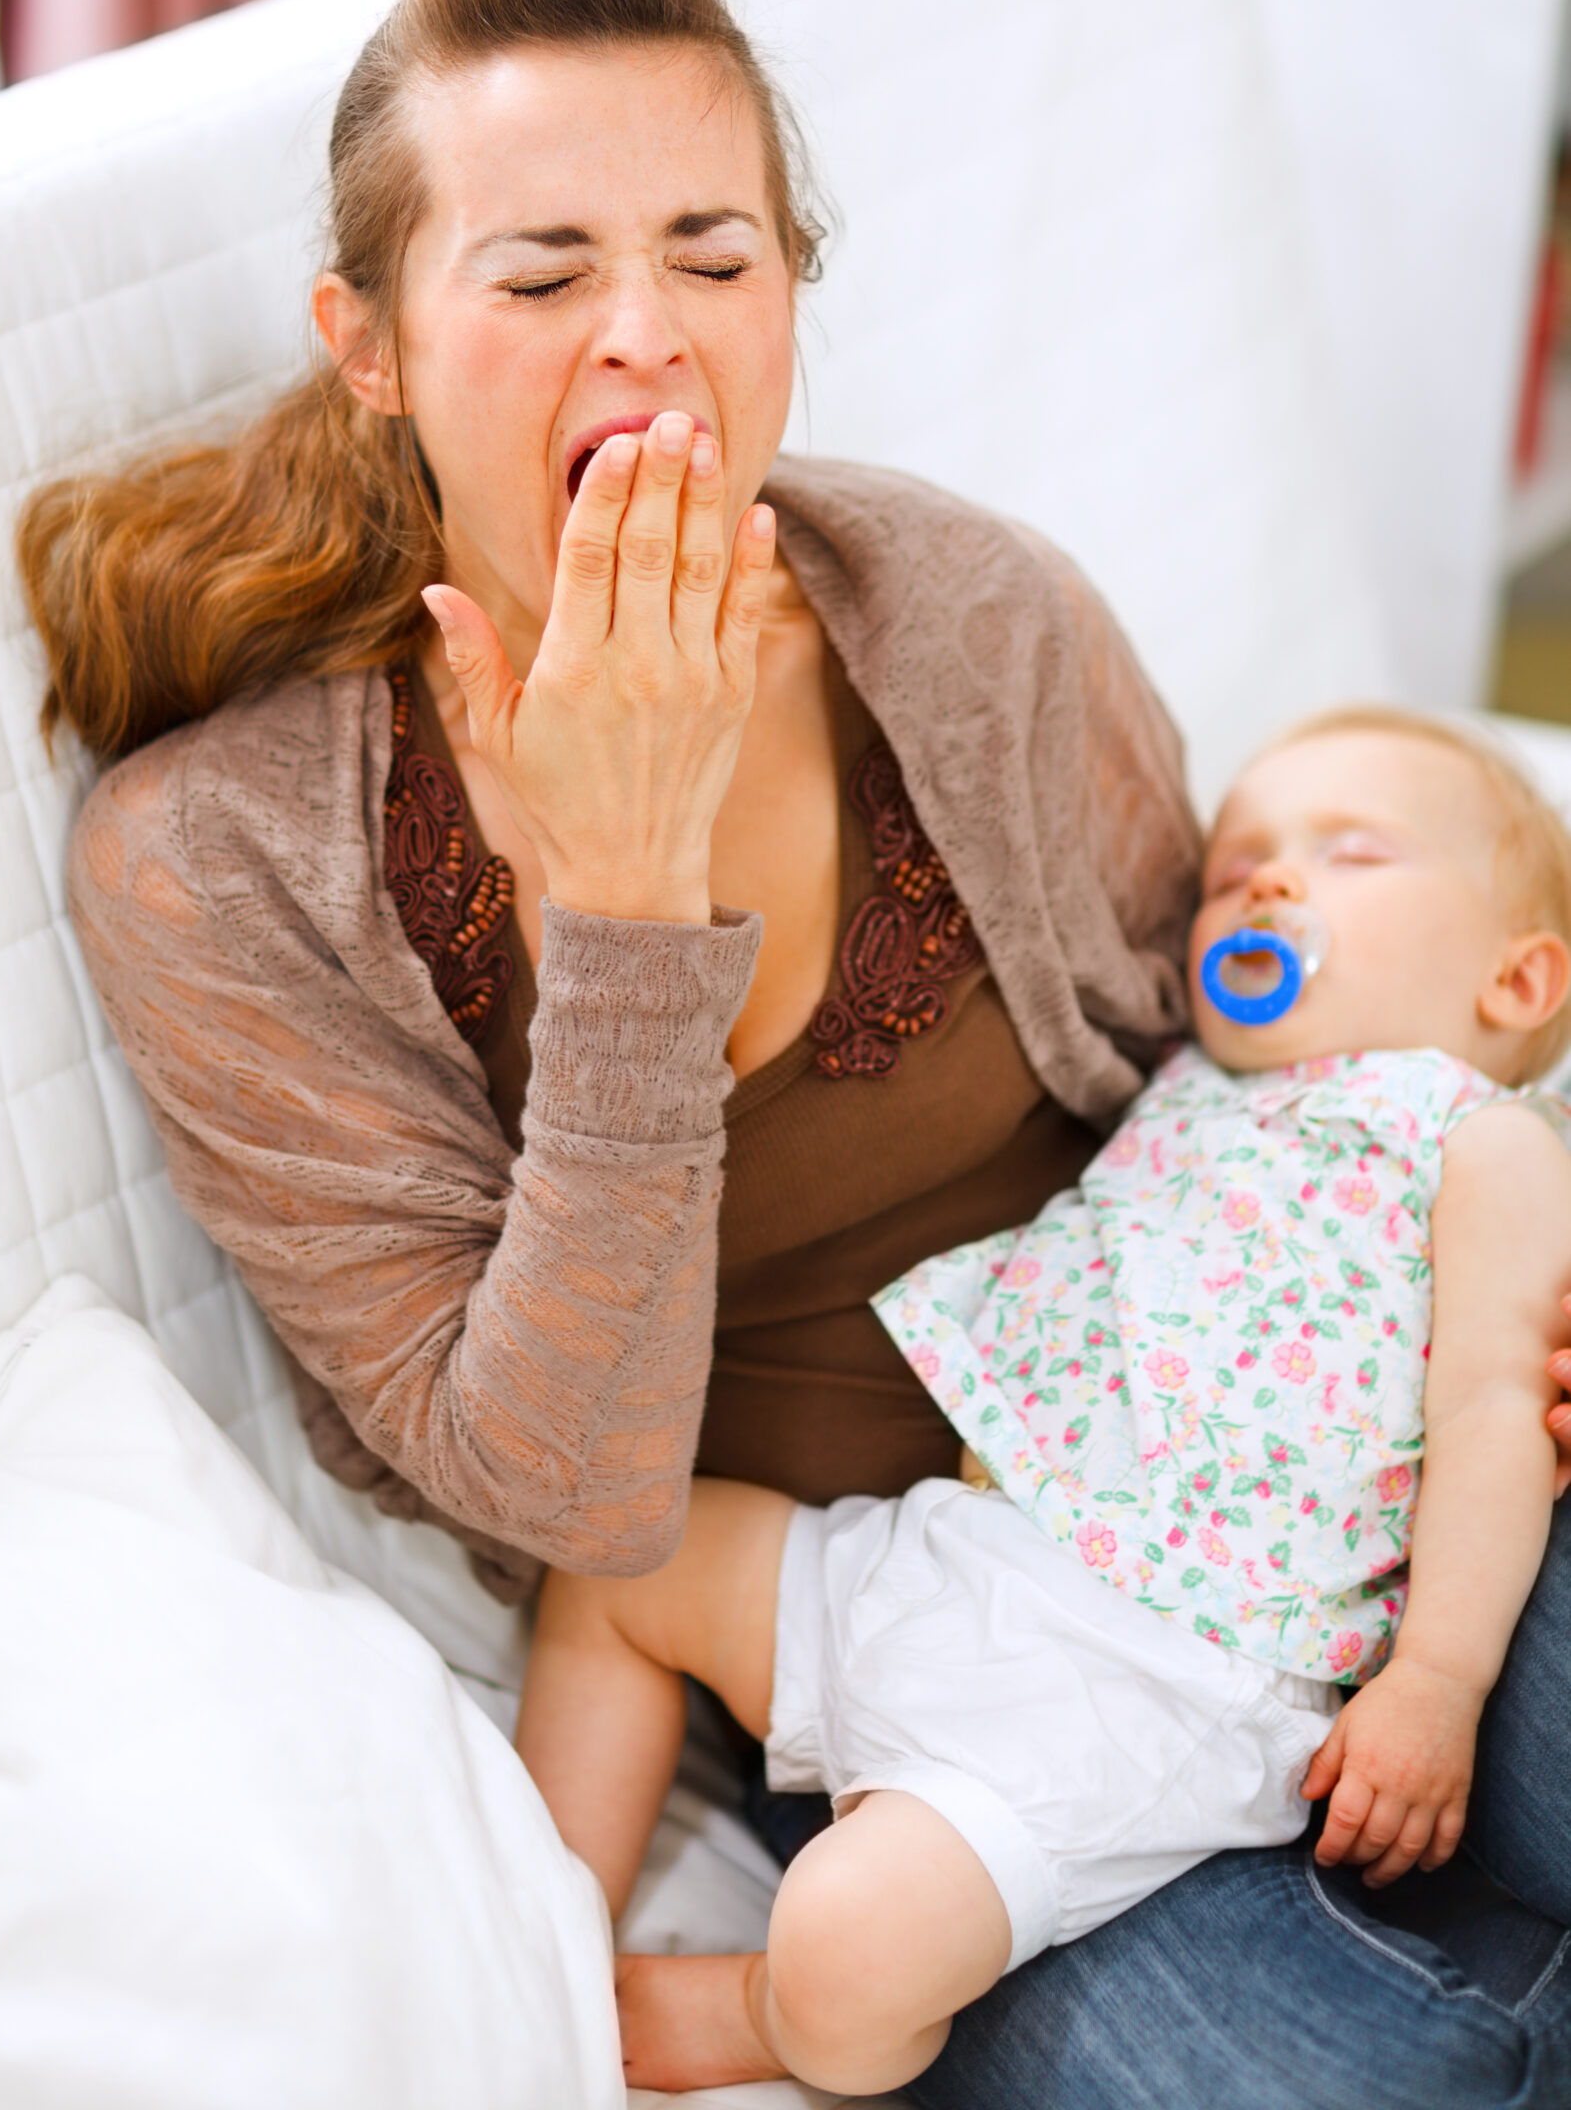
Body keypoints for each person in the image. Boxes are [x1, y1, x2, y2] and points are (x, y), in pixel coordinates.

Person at [16, 0, 1571, 2108]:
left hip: (1299, 1489)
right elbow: (561, 1494)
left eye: (715, 255)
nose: (642, 336)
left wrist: (1495, 1266)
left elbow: (1260, 1051)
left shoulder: (963, 610)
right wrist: (631, 903)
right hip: (896, 1649)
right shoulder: (220, 860)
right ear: (366, 340)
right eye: (540, 274)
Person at [515, 711, 1571, 2096]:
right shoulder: (1190, 1080)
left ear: (1518, 980)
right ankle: (534, 1925)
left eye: (1351, 854)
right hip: (952, 1550)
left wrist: (1440, 1679)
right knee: (623, 1562)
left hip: (1159, 1668)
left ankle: (771, 2014)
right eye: (1239, 867)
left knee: (847, 1944)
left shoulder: (1479, 1139)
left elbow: (1499, 1405)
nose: (1264, 885)